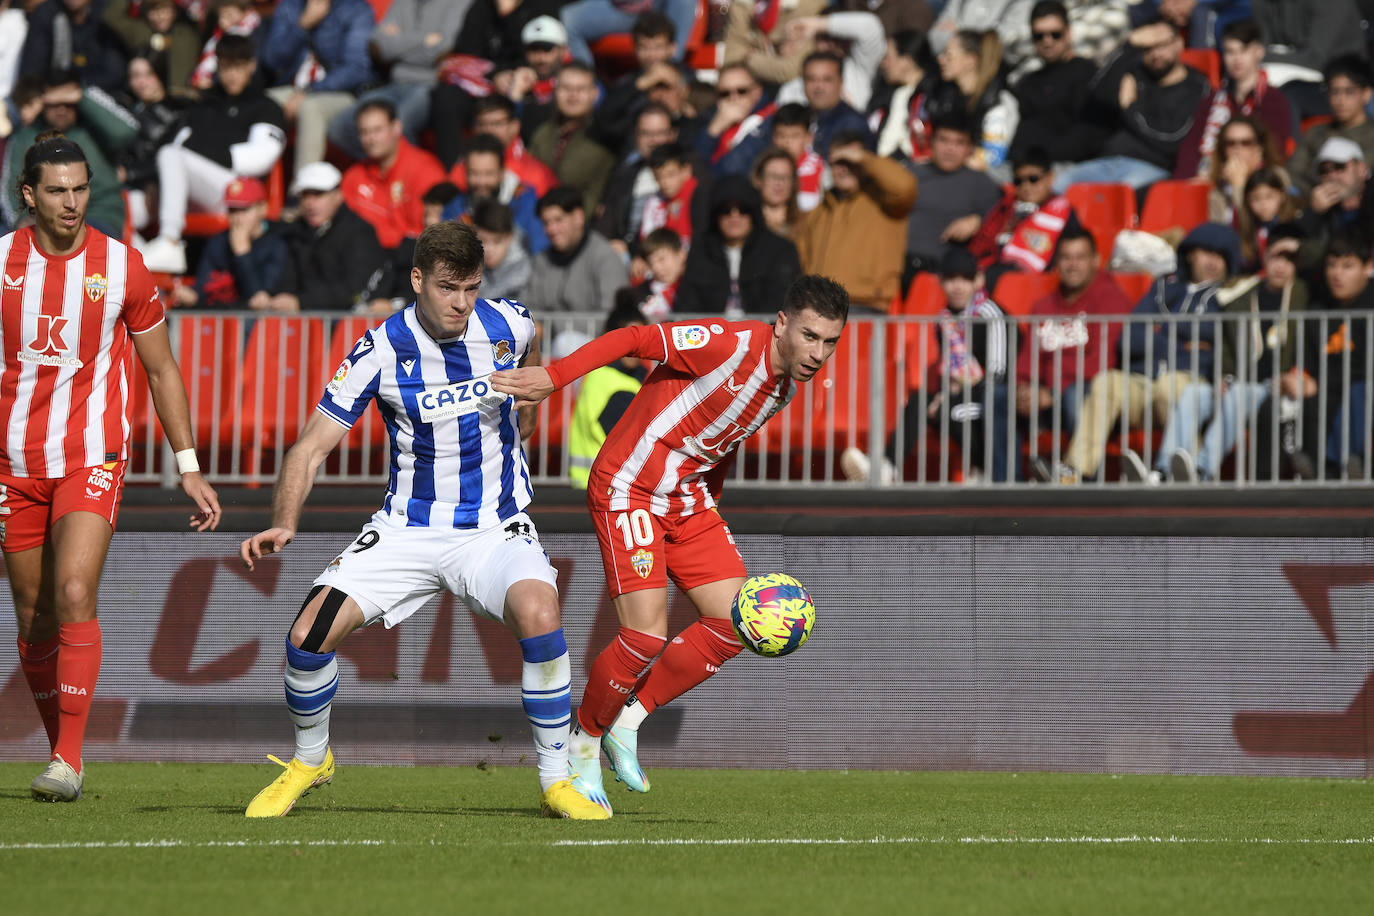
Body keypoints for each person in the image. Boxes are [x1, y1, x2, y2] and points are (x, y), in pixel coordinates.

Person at [239, 220, 606, 821]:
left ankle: (555, 778)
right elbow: (308, 448)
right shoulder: (380, 348)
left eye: (471, 288)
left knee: (541, 613)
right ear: (417, 280)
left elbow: (533, 345)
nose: (462, 304)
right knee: (307, 638)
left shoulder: (507, 323)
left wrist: (529, 415)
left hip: (495, 526)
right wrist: (285, 522)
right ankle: (311, 760)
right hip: (407, 528)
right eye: (447, 288)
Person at [490, 274, 850, 814]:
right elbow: (634, 339)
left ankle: (626, 725)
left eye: (830, 343)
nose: (817, 353)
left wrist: (712, 509)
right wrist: (554, 376)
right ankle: (581, 746)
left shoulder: (782, 390)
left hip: (688, 502)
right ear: (782, 324)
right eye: (810, 336)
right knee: (644, 635)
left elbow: (719, 446)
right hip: (628, 487)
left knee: (735, 623)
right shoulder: (726, 345)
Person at [5, 134, 221, 802]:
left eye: (81, 188)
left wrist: (187, 464)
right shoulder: (2, 264)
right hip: (12, 462)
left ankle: (68, 761)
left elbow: (161, 368)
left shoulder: (122, 266)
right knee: (36, 618)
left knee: (73, 591)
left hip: (92, 454)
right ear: (29, 195)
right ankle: (59, 750)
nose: (73, 203)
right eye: (59, 190)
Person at [1039, 222, 1239, 484]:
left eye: (1220, 256)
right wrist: (1183, 342)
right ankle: (1075, 472)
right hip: (1144, 383)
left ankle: (1182, 471)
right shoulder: (1163, 287)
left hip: (1190, 385)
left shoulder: (1229, 296)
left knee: (1172, 386)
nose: (1213, 262)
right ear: (1191, 253)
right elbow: (1130, 338)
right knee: (1106, 382)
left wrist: (1160, 332)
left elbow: (1213, 342)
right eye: (1206, 252)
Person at [1151, 225, 1308, 484]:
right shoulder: (1244, 295)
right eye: (1275, 257)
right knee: (1193, 393)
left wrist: (1297, 248)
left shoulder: (1301, 294)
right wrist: (1223, 374)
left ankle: (1202, 469)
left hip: (1273, 385)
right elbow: (1225, 343)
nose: (1281, 265)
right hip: (1240, 381)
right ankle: (1164, 467)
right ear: (1264, 257)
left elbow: (1319, 255)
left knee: (1240, 393)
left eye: (1289, 260)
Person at [841, 247, 1009, 484]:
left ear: (978, 280)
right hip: (964, 393)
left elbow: (998, 372)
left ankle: (987, 472)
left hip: (998, 399)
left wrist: (950, 398)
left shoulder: (989, 313)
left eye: (965, 279)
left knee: (952, 411)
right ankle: (886, 467)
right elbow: (952, 370)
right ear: (941, 282)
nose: (958, 286)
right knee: (921, 400)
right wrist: (944, 395)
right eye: (951, 279)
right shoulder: (945, 321)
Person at [140, 34, 287, 275]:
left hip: (237, 195)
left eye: (238, 67)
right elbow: (180, 142)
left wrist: (201, 149)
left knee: (171, 155)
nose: (232, 74)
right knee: (132, 200)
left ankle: (169, 241)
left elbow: (260, 158)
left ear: (252, 65)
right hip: (193, 190)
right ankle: (128, 259)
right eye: (226, 67)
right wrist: (154, 181)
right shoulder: (204, 104)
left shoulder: (266, 106)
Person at [1009, 226, 1132, 479]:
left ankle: (1084, 485)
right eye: (1066, 258)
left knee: (1077, 396)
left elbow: (1102, 364)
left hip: (1089, 395)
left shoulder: (1111, 299)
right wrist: (1023, 388)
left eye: (1080, 257)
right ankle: (1005, 485)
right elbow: (1027, 361)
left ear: (1095, 261)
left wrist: (1053, 392)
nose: (1073, 265)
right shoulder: (1043, 306)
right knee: (1000, 398)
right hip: (1047, 398)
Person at [1052, 20, 1209, 192]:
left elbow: (1173, 139)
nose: (1156, 54)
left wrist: (1130, 109)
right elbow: (1096, 93)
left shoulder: (1197, 85)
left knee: (1119, 196)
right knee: (1056, 186)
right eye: (1147, 48)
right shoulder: (1137, 73)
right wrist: (1129, 45)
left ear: (1179, 43)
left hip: (1152, 168)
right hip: (1107, 163)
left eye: (1161, 45)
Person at [795, 129, 918, 312]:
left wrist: (864, 158)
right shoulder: (818, 212)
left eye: (852, 162)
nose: (844, 168)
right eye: (838, 162)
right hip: (817, 307)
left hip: (865, 307)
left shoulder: (884, 202)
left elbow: (905, 187)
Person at [1171, 19, 1292, 182]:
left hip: (1253, 184)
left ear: (1259, 52)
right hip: (1204, 178)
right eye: (1229, 51)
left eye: (1243, 50)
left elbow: (1274, 153)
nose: (1236, 59)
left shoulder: (1273, 100)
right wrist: (1186, 183)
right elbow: (1190, 149)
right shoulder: (1212, 99)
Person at [267, 161, 386, 313]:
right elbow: (288, 279)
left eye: (318, 194)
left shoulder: (360, 232)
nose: (310, 203)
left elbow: (354, 289)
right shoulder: (296, 233)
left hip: (349, 326)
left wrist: (301, 302)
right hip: (305, 325)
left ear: (338, 195)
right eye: (304, 195)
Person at [677, 174, 802, 317]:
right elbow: (687, 305)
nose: (734, 216)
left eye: (743, 209)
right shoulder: (702, 251)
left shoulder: (780, 250)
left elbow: (784, 304)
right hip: (711, 335)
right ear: (716, 215)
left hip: (765, 334)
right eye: (726, 210)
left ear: (753, 214)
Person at [340, 98, 446, 252]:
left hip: (413, 258)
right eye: (364, 132)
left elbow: (431, 235)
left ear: (396, 127)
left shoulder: (426, 171)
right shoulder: (354, 176)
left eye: (377, 130)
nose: (371, 138)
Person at [1009, 1, 1106, 166]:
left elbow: (1088, 134)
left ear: (1068, 33)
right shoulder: (1029, 81)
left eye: (1055, 34)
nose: (1047, 42)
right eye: (1039, 35)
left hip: (1066, 167)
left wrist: (1044, 161)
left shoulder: (1087, 74)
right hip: (1022, 166)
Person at [966, 146, 1077, 288]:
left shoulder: (1064, 212)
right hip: (989, 275)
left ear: (1050, 178)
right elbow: (982, 245)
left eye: (1033, 179)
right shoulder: (1004, 206)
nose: (1026, 186)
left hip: (1032, 285)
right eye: (1019, 181)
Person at [567, 301, 647, 488]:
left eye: (642, 339)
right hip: (608, 486)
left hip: (590, 482)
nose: (637, 347)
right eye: (631, 339)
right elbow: (632, 443)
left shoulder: (598, 374)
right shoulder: (619, 385)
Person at [182, 176, 289, 309]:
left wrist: (243, 254)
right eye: (232, 210)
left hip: (255, 325)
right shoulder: (218, 242)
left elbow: (259, 297)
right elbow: (203, 285)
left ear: (262, 209)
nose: (237, 218)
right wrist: (192, 295)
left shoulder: (277, 243)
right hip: (219, 320)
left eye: (244, 210)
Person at [1287, 56, 1374, 197]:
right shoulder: (1315, 133)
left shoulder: (1371, 134)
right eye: (1335, 92)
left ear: (1366, 94)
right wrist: (1313, 196)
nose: (1341, 100)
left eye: (1349, 92)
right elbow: (1292, 173)